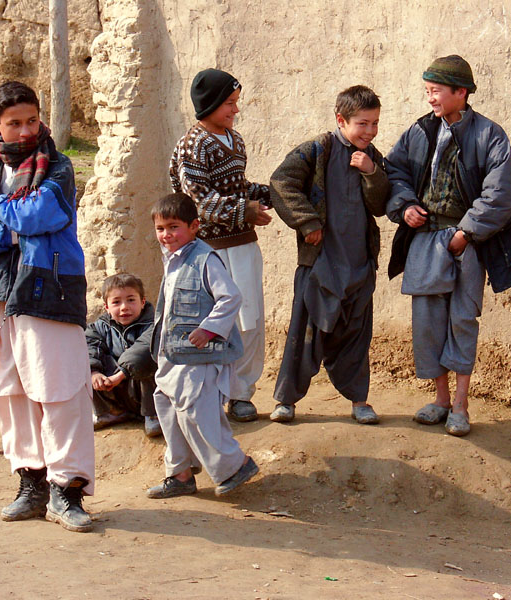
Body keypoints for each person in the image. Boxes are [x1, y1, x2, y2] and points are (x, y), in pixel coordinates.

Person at [0, 81, 95, 532]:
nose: (24, 131)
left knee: (62, 391)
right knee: (10, 390)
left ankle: (66, 490)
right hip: (2, 292)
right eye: (14, 123)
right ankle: (31, 483)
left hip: (50, 289)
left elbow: (43, 215)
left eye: (31, 121)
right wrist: (13, 228)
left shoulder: (58, 167)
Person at [385, 55, 511, 436]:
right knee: (428, 323)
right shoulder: (419, 132)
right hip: (426, 239)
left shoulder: (489, 135)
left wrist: (464, 234)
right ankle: (440, 400)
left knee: (462, 320)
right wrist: (405, 207)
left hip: (465, 242)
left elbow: (503, 189)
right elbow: (395, 170)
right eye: (428, 91)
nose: (430, 99)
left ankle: (462, 405)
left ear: (461, 92)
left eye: (436, 91)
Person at [268, 85, 389, 424]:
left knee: (356, 335)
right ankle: (286, 401)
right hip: (319, 263)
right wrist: (306, 222)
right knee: (304, 332)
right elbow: (281, 183)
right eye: (363, 123)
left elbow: (380, 205)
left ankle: (358, 401)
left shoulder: (373, 158)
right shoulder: (316, 151)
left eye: (375, 123)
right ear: (341, 119)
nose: (370, 131)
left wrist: (371, 173)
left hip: (358, 264)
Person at [169, 68, 271, 423]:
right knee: (211, 321)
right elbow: (200, 204)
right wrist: (248, 210)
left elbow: (237, 187)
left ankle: (241, 393)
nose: (235, 110)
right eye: (229, 103)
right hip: (208, 251)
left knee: (250, 320)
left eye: (235, 102)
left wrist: (270, 195)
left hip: (243, 246)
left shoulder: (235, 140)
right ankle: (207, 395)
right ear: (210, 104)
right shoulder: (192, 145)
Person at [147, 192, 259, 499]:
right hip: (173, 355)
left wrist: (209, 329)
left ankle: (235, 466)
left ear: (194, 226)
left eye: (173, 227)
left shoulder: (205, 258)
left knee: (199, 411)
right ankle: (180, 474)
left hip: (201, 357)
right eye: (160, 229)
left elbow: (230, 297)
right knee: (168, 408)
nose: (166, 235)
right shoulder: (171, 259)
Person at [86, 273, 161, 437]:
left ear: (142, 302)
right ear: (106, 307)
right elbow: (89, 345)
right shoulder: (100, 327)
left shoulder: (154, 325)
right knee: (85, 360)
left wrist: (120, 374)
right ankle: (110, 411)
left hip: (144, 392)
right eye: (116, 302)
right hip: (117, 390)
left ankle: (153, 414)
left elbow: (142, 350)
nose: (124, 307)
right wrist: (94, 373)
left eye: (131, 300)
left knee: (148, 361)